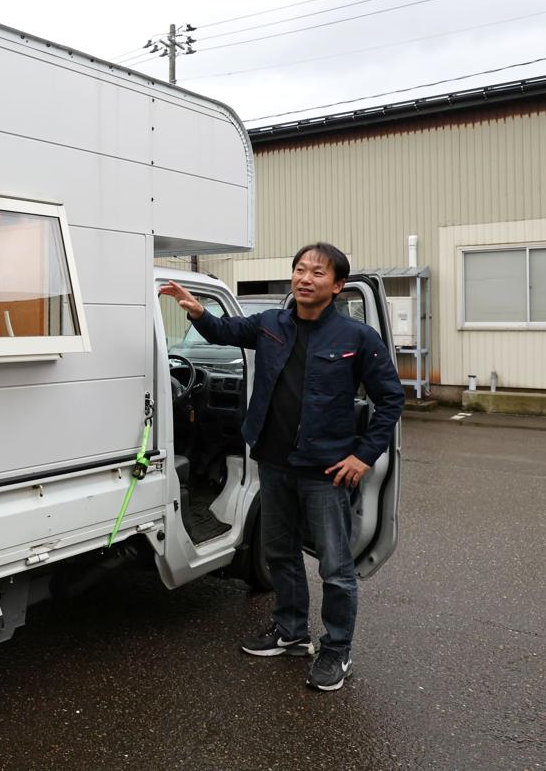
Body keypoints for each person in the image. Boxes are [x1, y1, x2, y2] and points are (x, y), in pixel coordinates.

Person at [162, 243, 404, 692]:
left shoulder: (356, 338)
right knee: (280, 554)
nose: (304, 277)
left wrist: (363, 455)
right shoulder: (271, 324)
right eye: (298, 269)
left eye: (316, 271)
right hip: (273, 463)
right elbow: (224, 330)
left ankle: (336, 650)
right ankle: (291, 632)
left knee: (335, 567)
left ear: (337, 286)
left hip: (326, 471)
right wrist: (196, 311)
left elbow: (391, 399)